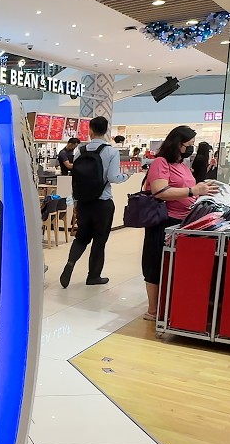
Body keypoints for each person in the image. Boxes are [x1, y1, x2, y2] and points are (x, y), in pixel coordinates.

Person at [141, 126, 219, 320]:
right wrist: (193, 191)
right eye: (189, 144)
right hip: (163, 221)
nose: (191, 148)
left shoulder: (182, 165)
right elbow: (160, 191)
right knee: (155, 263)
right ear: (178, 143)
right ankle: (153, 310)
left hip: (183, 221)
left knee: (171, 264)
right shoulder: (160, 163)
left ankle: (168, 305)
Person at [60, 116, 128, 288]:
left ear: (90, 130)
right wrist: (126, 176)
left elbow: (76, 178)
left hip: (83, 202)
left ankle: (70, 263)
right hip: (102, 202)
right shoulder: (111, 152)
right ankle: (93, 276)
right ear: (106, 131)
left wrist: (75, 200)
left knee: (82, 236)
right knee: (99, 240)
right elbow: (113, 177)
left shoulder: (79, 151)